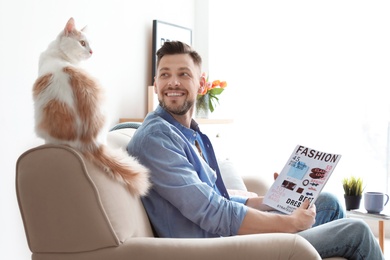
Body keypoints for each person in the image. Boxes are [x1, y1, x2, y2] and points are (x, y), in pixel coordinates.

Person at [127, 41, 384, 259]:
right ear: (156, 82)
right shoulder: (156, 139)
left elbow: (219, 198)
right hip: (218, 248)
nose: (173, 82)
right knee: (357, 232)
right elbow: (214, 213)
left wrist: (272, 200)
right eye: (164, 74)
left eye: (183, 74)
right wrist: (288, 223)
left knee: (326, 201)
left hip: (224, 235)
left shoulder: (189, 133)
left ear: (201, 83)